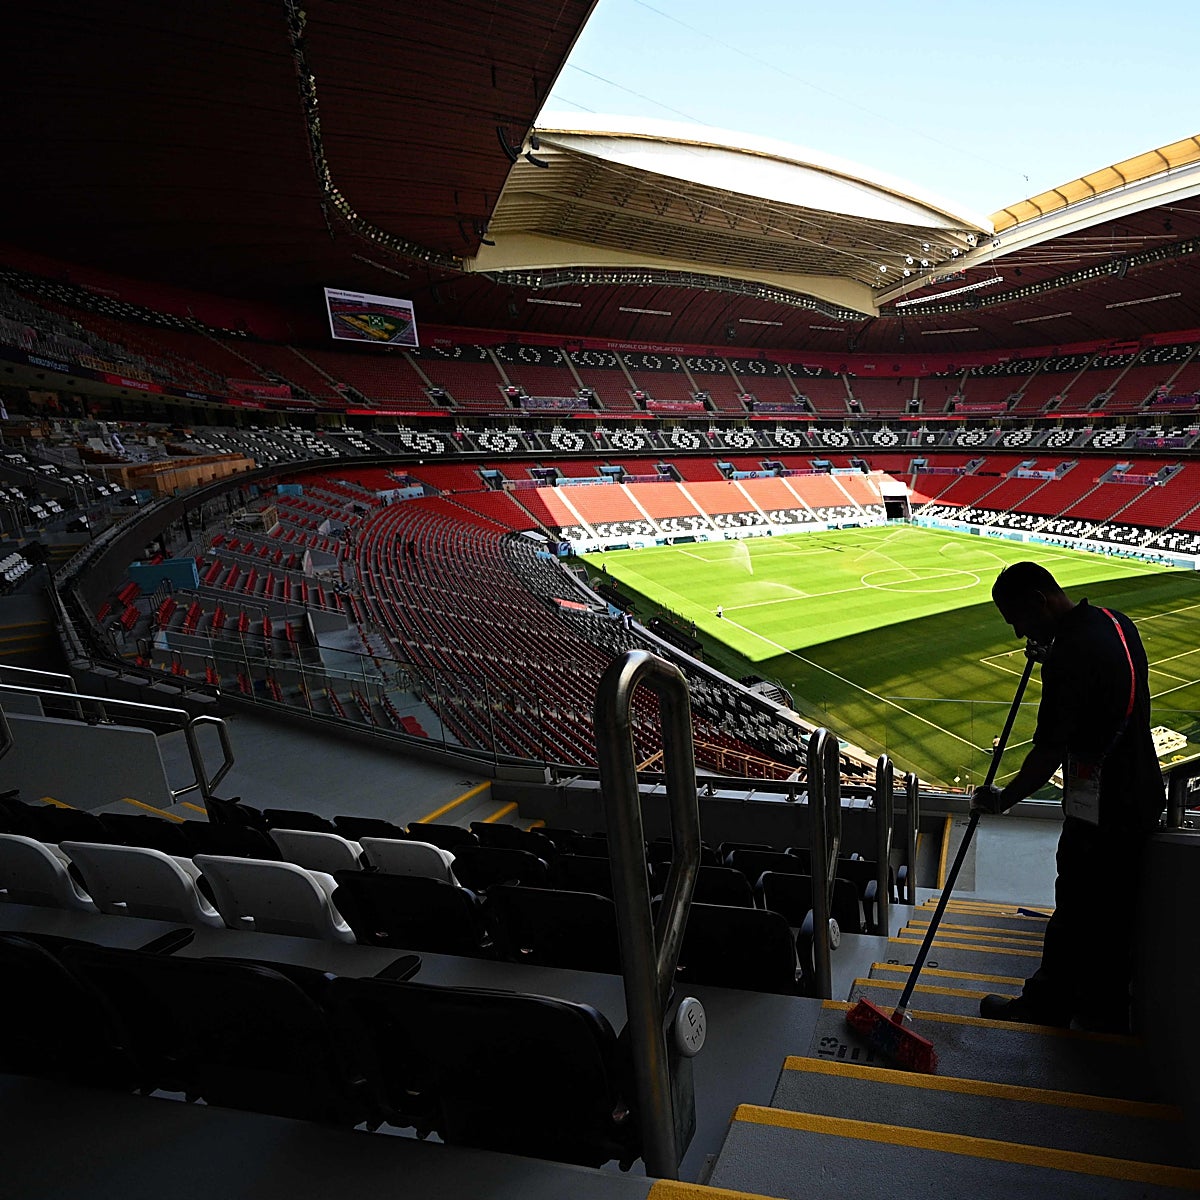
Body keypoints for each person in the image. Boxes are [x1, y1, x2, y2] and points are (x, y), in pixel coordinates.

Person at [971, 561, 1163, 1033]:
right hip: (1141, 791)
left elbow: (1047, 752)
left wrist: (1004, 798)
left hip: (1101, 809)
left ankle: (1050, 1003)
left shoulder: (1068, 657)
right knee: (1115, 910)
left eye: (1018, 619)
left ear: (1039, 601)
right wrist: (1052, 648)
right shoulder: (1117, 622)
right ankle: (1105, 1007)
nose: (1018, 634)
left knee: (1075, 906)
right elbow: (1102, 683)